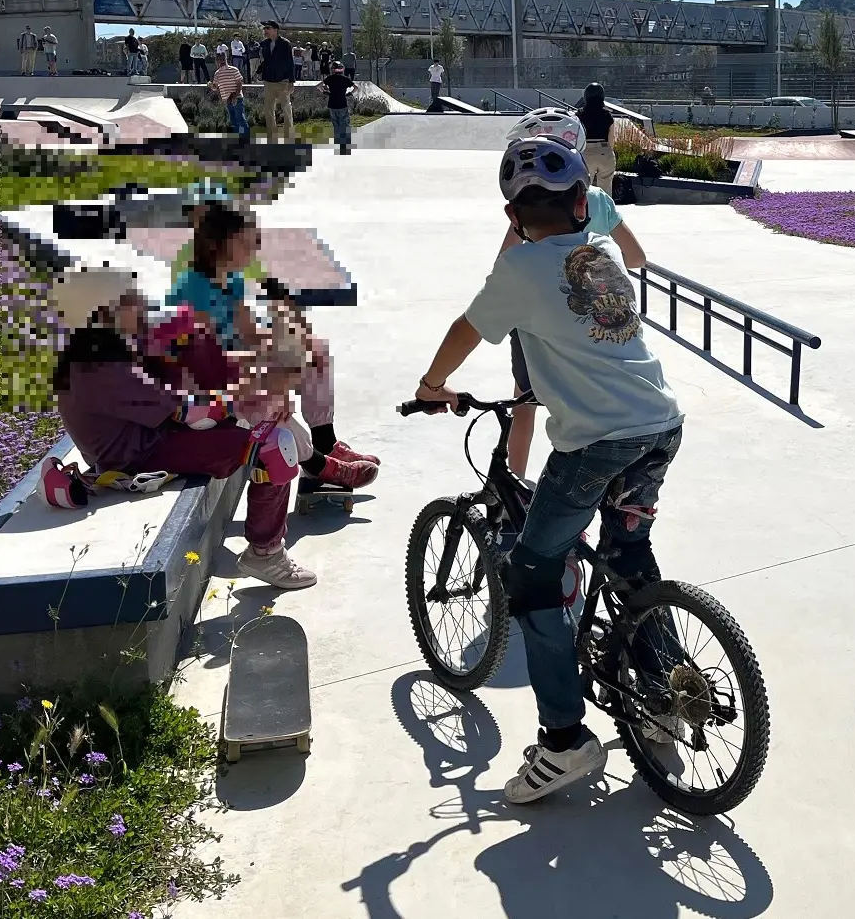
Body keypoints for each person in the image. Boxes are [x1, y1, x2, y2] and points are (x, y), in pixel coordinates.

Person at [411, 137, 682, 804]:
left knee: (531, 574)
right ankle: (666, 690)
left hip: (595, 443)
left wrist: (432, 382)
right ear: (579, 204)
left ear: (513, 218)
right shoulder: (603, 252)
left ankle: (563, 741)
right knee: (628, 550)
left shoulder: (523, 267)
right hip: (659, 426)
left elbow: (467, 326)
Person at [49, 266, 316, 589]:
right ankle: (266, 552)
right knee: (274, 447)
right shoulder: (98, 366)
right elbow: (193, 414)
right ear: (102, 313)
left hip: (154, 436)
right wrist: (251, 400)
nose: (143, 303)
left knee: (196, 341)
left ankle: (315, 462)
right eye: (131, 299)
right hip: (140, 455)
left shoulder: (105, 347)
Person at [165, 202, 380, 493]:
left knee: (315, 353)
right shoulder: (193, 288)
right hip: (209, 389)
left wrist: (292, 339)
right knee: (271, 402)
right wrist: (271, 377)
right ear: (221, 245)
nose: (254, 250)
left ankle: (325, 440)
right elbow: (207, 359)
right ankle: (319, 465)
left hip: (236, 368)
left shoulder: (232, 281)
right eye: (246, 242)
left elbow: (251, 335)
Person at [495, 112, 647, 483]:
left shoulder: (532, 207)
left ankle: (514, 487)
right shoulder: (597, 201)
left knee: (525, 404)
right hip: (596, 325)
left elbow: (504, 264)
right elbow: (638, 258)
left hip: (541, 323)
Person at [256, 21, 296, 144]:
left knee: (286, 109)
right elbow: (265, 61)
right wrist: (259, 71)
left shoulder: (285, 44)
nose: (265, 31)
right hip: (269, 82)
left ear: (275, 29)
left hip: (282, 81)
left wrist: (291, 81)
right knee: (268, 110)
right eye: (264, 28)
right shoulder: (264, 44)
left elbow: (290, 62)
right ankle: (272, 138)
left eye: (267, 28)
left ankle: (289, 138)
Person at [577, 82, 617, 190]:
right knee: (606, 188)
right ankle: (605, 206)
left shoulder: (580, 115)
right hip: (604, 151)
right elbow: (611, 139)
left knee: (584, 188)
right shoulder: (607, 115)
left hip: (585, 152)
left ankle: (587, 206)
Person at [209, 46, 248, 138]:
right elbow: (215, 87)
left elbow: (239, 83)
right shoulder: (218, 73)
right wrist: (211, 85)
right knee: (235, 120)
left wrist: (235, 96)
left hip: (236, 98)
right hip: (228, 100)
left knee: (239, 119)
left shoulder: (231, 70)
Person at [321, 59, 356, 155]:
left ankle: (338, 145)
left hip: (332, 104)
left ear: (333, 69)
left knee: (335, 125)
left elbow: (318, 86)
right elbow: (356, 87)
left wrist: (325, 92)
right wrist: (349, 93)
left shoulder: (329, 78)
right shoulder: (345, 79)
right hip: (342, 104)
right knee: (344, 124)